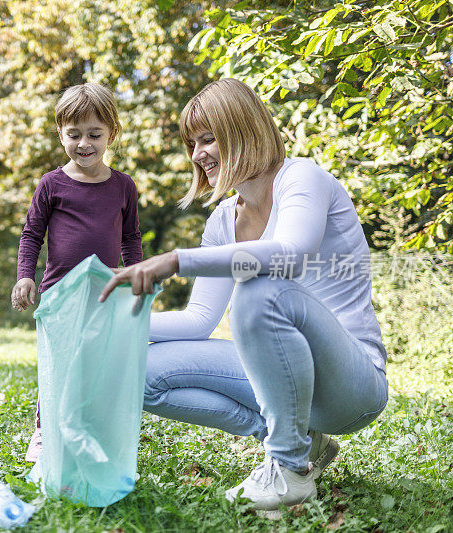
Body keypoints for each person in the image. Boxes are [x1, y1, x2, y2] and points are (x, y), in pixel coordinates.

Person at [99, 78, 388, 517]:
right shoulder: (222, 221)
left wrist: (176, 260)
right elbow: (198, 320)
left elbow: (289, 255)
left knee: (259, 287)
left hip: (351, 385)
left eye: (208, 138)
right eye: (192, 143)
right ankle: (301, 446)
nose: (197, 155)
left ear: (242, 128)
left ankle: (287, 468)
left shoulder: (302, 178)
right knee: (136, 369)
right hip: (289, 383)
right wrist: (114, 326)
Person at [11, 82, 143, 462]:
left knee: (95, 367)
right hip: (58, 296)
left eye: (94, 134)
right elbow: (32, 233)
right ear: (60, 134)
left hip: (104, 294)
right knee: (59, 367)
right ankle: (44, 432)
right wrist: (25, 276)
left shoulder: (123, 186)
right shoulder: (52, 184)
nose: (84, 143)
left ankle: (87, 430)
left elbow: (131, 238)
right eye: (74, 134)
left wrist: (135, 278)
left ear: (111, 135)